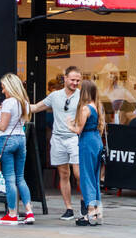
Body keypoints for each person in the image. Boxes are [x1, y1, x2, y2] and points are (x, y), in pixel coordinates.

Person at [29, 66, 83, 220]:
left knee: (79, 173)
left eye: (78, 80)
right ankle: (69, 208)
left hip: (75, 138)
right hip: (58, 138)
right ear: (65, 78)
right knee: (64, 173)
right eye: (72, 79)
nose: (75, 83)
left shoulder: (82, 96)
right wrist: (14, 106)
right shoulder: (55, 96)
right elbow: (36, 107)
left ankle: (85, 202)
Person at [0, 74, 33, 225]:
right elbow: (11, 122)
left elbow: (3, 127)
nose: (3, 90)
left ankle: (12, 214)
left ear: (10, 87)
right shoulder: (24, 102)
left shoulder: (8, 102)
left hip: (6, 141)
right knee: (20, 178)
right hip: (21, 140)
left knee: (9, 179)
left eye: (4, 87)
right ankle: (29, 212)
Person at [71, 80, 106, 225]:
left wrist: (69, 125)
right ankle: (97, 211)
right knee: (94, 176)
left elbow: (78, 130)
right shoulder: (98, 106)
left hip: (87, 142)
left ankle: (90, 212)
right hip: (97, 140)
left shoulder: (85, 108)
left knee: (86, 176)